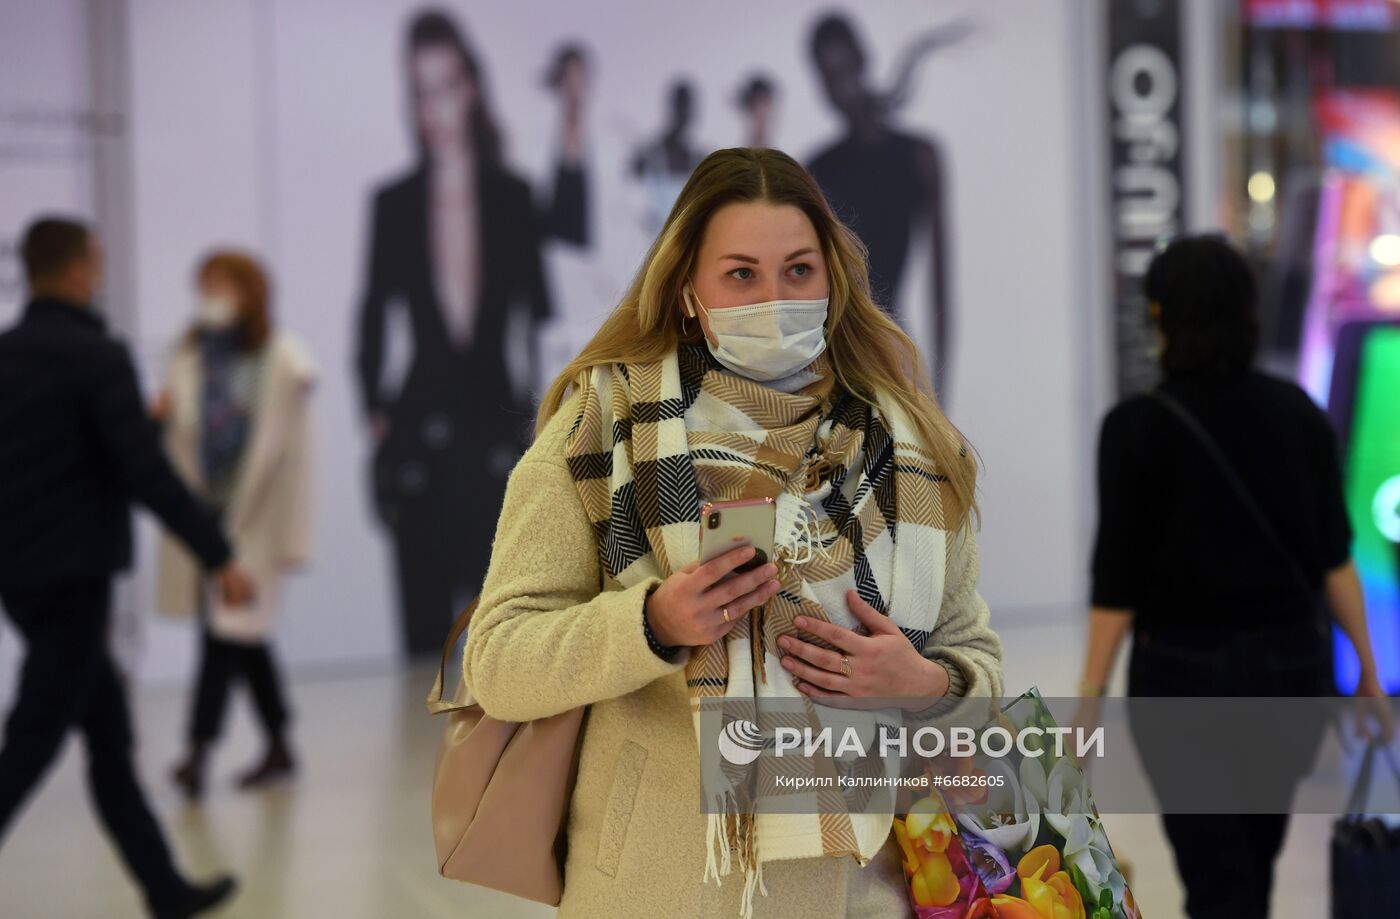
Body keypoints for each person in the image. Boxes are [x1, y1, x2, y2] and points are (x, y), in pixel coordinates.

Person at [463, 148, 1002, 918]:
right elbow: (499, 661)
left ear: (832, 282)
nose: (775, 299)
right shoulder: (602, 427)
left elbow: (974, 658)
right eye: (741, 274)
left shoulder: (908, 446)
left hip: (865, 887)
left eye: (799, 271)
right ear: (688, 289)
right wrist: (652, 623)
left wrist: (921, 682)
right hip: (665, 888)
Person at [1077, 235, 1390, 919]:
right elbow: (1335, 558)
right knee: (1250, 866)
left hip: (1183, 683)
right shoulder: (1298, 414)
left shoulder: (1134, 427)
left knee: (1217, 878)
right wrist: (1367, 673)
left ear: (1162, 316)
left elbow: (1117, 583)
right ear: (1247, 314)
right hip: (1289, 676)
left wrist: (1090, 702)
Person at [0, 217, 248, 918]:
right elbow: (143, 473)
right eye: (96, 262)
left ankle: (164, 887)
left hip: (19, 578)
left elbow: (67, 453)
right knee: (32, 742)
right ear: (79, 269)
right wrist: (218, 552)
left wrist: (139, 425)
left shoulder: (8, 354)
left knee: (109, 740)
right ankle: (165, 886)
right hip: (76, 579)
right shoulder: (96, 355)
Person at [356, 9, 583, 656]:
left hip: (497, 432)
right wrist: (373, 406)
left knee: (501, 638)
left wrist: (548, 417)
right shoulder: (394, 204)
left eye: (445, 85)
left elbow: (544, 316)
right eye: (419, 90)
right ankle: (419, 758)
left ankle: (490, 759)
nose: (433, 106)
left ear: (470, 88)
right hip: (418, 440)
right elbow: (372, 314)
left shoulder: (511, 196)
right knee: (423, 648)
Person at [155, 251, 316, 799]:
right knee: (242, 637)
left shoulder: (281, 359)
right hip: (205, 521)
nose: (212, 295)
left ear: (251, 290)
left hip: (258, 525)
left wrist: (296, 538)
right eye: (204, 284)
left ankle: (197, 753)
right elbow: (180, 439)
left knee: (224, 637)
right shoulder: (190, 357)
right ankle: (279, 742)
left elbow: (298, 461)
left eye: (223, 284)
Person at [805, 13, 969, 396]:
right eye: (829, 77)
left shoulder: (919, 157)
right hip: (835, 365)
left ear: (863, 61)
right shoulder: (816, 171)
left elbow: (940, 286)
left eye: (845, 69)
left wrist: (940, 396)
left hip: (893, 362)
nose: (840, 87)